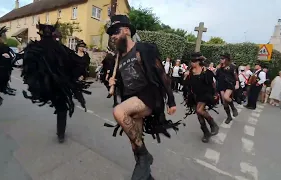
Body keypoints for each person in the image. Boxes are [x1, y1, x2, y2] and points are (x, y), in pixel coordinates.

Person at [106, 15, 179, 180]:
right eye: (111, 34)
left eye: (115, 32)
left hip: (148, 95)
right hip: (131, 98)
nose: (113, 36)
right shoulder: (119, 57)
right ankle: (146, 174)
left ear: (126, 30)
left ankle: (145, 156)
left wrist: (171, 100)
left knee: (118, 112)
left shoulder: (143, 49)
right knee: (135, 142)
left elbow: (162, 74)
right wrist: (113, 81)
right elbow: (123, 83)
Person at [21, 22, 92, 143]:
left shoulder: (35, 47)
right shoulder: (60, 47)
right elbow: (75, 61)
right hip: (59, 85)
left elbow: (27, 65)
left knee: (60, 106)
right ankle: (61, 134)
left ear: (41, 34)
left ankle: (61, 133)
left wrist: (33, 81)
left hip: (45, 85)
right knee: (61, 108)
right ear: (53, 34)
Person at [183, 52, 219, 143]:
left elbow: (212, 84)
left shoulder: (206, 71)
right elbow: (186, 85)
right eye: (191, 61)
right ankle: (206, 133)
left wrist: (215, 93)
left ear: (199, 61)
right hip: (194, 96)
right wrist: (185, 77)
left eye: (194, 61)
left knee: (199, 110)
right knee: (199, 115)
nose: (192, 63)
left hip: (205, 95)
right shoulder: (190, 71)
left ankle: (212, 124)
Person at [215, 53, 239, 124]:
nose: (221, 60)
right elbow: (216, 76)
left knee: (226, 97)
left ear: (226, 59)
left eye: (223, 59)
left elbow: (235, 76)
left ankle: (233, 108)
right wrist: (217, 69)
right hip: (221, 85)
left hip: (229, 84)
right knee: (224, 103)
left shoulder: (232, 66)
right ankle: (229, 116)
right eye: (221, 59)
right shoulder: (219, 67)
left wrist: (237, 83)